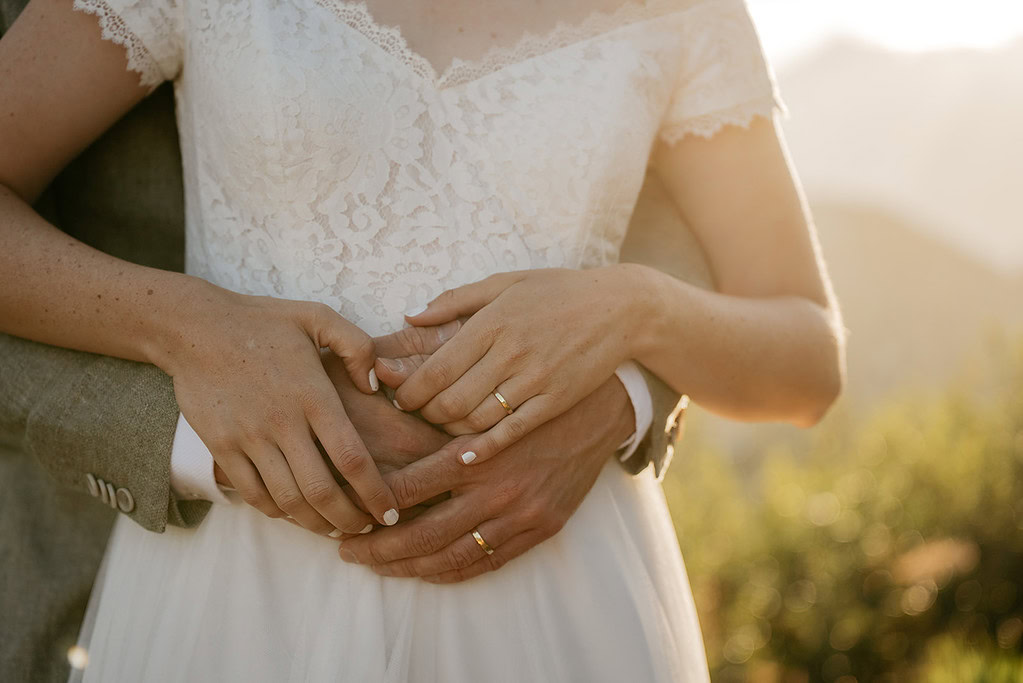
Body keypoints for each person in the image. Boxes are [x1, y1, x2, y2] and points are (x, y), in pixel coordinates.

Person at [0, 0, 845, 681]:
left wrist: (635, 307)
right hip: (244, 577)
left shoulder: (689, 13)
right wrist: (195, 328)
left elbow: (807, 355)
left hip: (553, 574)